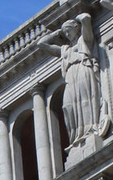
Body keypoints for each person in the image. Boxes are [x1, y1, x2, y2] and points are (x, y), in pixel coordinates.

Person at [41, 14, 108, 146]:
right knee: (68, 106)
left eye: (68, 30)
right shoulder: (65, 50)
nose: (67, 33)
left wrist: (81, 18)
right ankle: (77, 137)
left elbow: (87, 19)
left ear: (76, 28)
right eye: (65, 32)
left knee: (85, 101)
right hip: (70, 77)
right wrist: (56, 33)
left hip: (83, 71)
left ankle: (89, 131)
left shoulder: (85, 40)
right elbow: (42, 44)